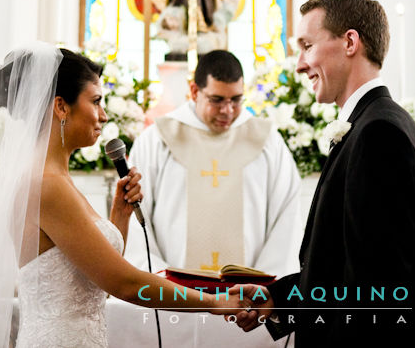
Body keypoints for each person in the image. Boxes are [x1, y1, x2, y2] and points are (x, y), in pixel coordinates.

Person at [0, 44, 242, 348]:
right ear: (61, 106)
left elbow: (94, 283)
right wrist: (215, 303)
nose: (104, 114)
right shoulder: (47, 186)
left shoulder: (57, 180)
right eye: (96, 101)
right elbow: (123, 283)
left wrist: (119, 217)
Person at [230, 0, 415, 347]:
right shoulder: (373, 123)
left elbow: (375, 291)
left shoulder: (378, 133)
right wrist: (276, 298)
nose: (300, 64)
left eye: (307, 46)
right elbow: (341, 269)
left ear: (350, 42)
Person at [125, 49, 302, 282]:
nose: (227, 111)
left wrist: (264, 286)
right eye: (217, 100)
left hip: (248, 301)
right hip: (173, 296)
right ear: (194, 91)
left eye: (236, 100)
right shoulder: (157, 139)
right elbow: (138, 220)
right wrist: (161, 281)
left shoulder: (268, 141)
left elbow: (286, 219)